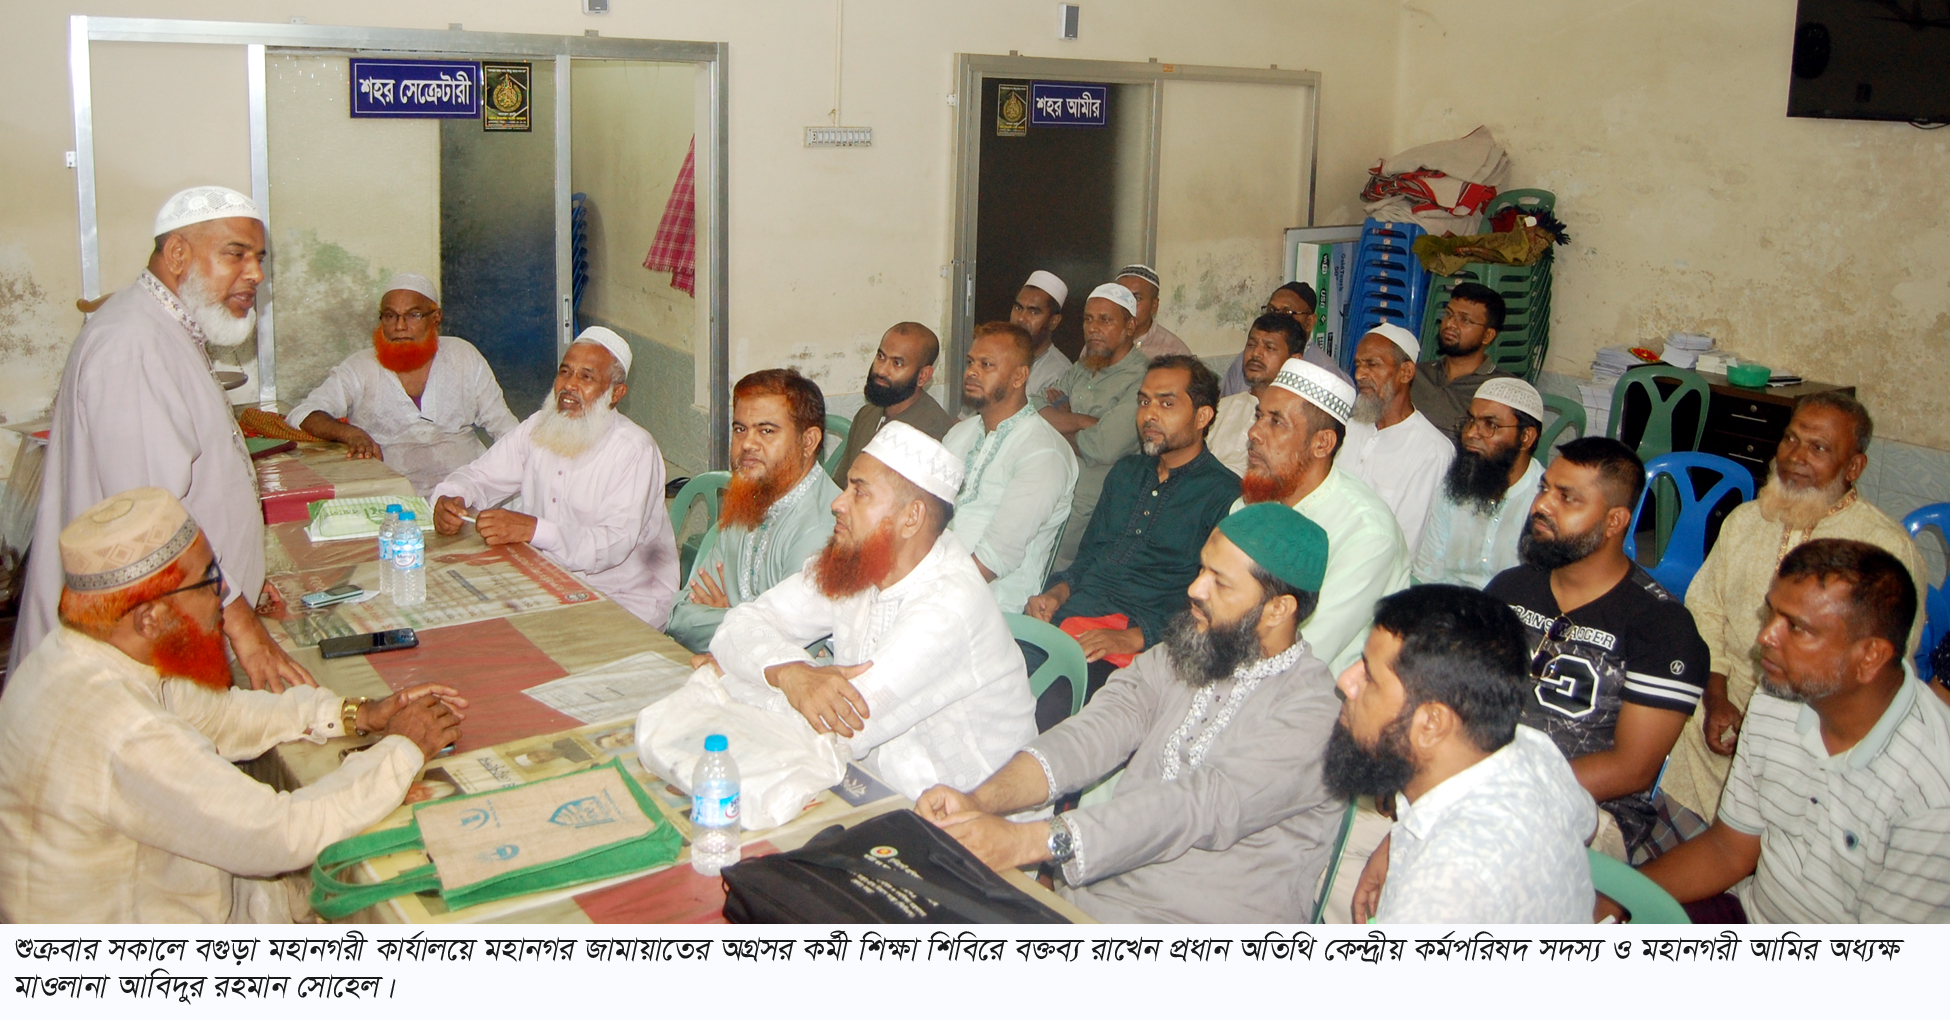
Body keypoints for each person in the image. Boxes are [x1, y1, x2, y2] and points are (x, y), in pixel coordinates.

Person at [0, 488, 464, 922]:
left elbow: (219, 715)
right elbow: (281, 833)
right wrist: (402, 749)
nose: (221, 600)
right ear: (149, 618)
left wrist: (356, 713)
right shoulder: (124, 730)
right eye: (209, 582)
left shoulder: (72, 654)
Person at [918, 503, 1342, 922]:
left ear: (1278, 609)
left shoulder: (1315, 714)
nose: (1196, 589)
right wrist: (979, 801)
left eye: (1220, 582)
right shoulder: (1187, 652)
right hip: (1094, 900)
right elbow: (1094, 733)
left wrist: (1027, 842)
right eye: (1201, 570)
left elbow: (1199, 805)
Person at [12, 186, 310, 692]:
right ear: (177, 254)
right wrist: (241, 622)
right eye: (236, 254)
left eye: (258, 258)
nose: (256, 275)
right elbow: (151, 527)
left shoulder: (164, 327)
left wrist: (242, 584)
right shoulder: (132, 344)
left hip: (183, 617)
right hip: (128, 647)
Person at [709, 422, 1036, 799]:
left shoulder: (948, 609)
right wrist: (791, 674)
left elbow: (836, 731)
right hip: (870, 787)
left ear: (911, 518)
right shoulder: (861, 562)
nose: (838, 503)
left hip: (962, 820)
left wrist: (730, 679)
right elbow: (741, 623)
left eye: (859, 492)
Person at [1628, 540, 1950, 923]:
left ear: (1870, 656)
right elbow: (1729, 850)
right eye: (1771, 613)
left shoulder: (1932, 793)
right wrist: (1620, 897)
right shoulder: (1779, 694)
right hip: (1752, 913)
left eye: (1796, 627)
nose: (1765, 636)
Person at [1660, 392, 1927, 830]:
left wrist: (1783, 728)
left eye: (1818, 447)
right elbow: (1704, 611)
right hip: (1716, 723)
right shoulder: (1746, 520)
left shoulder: (1884, 550)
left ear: (1854, 466)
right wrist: (1716, 695)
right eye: (1790, 439)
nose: (1795, 457)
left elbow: (1882, 671)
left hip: (1815, 745)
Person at [1483, 436, 1709, 861]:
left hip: (1590, 812)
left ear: (1614, 521)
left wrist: (1505, 788)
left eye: (1567, 498)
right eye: (1545, 489)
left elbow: (1633, 768)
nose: (1542, 506)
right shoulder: (1510, 588)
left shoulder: (1661, 625)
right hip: (1483, 788)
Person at [1326, 585, 1598, 923]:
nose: (1345, 682)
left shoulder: (1447, 887)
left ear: (1431, 724)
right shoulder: (1530, 748)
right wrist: (1399, 842)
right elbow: (1587, 823)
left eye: (1369, 676)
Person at [1027, 357, 1239, 720]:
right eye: (1143, 401)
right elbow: (1089, 557)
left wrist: (1137, 637)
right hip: (1074, 617)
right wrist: (1056, 594)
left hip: (1143, 647)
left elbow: (1216, 603)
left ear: (1202, 417)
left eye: (1166, 403)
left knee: (1047, 710)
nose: (1149, 415)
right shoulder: (1126, 473)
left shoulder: (1225, 495)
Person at [432, 327, 679, 627]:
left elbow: (612, 545)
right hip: (544, 579)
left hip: (622, 599)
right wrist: (453, 497)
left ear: (616, 393)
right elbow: (480, 475)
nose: (569, 385)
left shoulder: (634, 449)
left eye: (586, 377)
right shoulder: (539, 427)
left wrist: (533, 530)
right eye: (565, 372)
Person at [1238, 357, 1410, 674]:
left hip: (1317, 691)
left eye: (1276, 422)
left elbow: (1303, 652)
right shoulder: (1251, 503)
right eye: (1259, 416)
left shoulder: (1366, 534)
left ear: (1322, 443)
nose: (1253, 432)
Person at [285, 273, 519, 496]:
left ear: (436, 318)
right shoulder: (361, 367)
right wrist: (350, 434)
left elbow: (505, 428)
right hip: (392, 498)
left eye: (413, 315)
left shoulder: (463, 355)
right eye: (390, 316)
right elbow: (303, 414)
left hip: (471, 491)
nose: (399, 326)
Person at [665, 368, 838, 652]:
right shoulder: (748, 497)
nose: (747, 444)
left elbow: (791, 647)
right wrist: (744, 623)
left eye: (766, 431)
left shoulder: (827, 526)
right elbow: (680, 616)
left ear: (808, 441)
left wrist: (730, 617)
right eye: (740, 429)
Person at [941, 322, 1078, 613]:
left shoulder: (1044, 452)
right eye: (970, 362)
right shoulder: (959, 434)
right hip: (936, 583)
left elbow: (996, 556)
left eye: (986, 364)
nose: (972, 372)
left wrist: (930, 594)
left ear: (1019, 377)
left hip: (993, 604)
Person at [1039, 283, 1152, 565]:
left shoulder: (1143, 379)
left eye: (1105, 320)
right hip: (1051, 486)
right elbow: (1031, 408)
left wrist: (1059, 421)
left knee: (1057, 575)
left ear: (1129, 326)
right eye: (1088, 319)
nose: (1093, 328)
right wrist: (1081, 420)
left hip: (1092, 505)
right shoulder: (1085, 366)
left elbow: (1103, 447)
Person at [1412, 378, 1546, 588]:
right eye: (1471, 421)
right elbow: (1427, 573)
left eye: (1491, 425)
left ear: (1526, 437)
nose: (1471, 433)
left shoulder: (1547, 504)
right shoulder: (1453, 488)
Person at [1340, 323, 1455, 557]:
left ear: (1406, 372)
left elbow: (1405, 544)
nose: (1360, 375)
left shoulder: (1432, 451)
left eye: (1372, 364)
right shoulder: (1349, 427)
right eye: (1358, 365)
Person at [830, 322, 955, 482]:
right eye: (881, 357)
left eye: (897, 363)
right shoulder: (866, 414)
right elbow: (842, 484)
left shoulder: (934, 435)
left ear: (923, 376)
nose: (882, 370)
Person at [1410, 282, 1517, 442]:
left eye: (1465, 320)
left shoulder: (1501, 391)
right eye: (1448, 314)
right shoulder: (1415, 374)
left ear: (1487, 335)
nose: (1450, 324)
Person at [1207, 312, 1310, 476]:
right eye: (1251, 344)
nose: (1256, 353)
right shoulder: (1218, 409)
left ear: (1294, 361)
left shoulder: (1303, 419)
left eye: (1269, 348)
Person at [1221, 282, 1319, 397]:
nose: (1256, 353)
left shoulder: (1321, 374)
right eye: (1271, 309)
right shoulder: (1244, 362)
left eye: (1287, 312)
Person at [1012, 270, 1073, 401]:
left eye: (1034, 312)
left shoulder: (1058, 373)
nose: (1021, 318)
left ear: (1053, 321)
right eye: (1018, 308)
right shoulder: (997, 356)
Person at [1114, 264, 1192, 359]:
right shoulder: (1102, 340)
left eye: (1137, 298)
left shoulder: (1173, 352)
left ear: (1154, 305)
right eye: (1121, 298)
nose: (1127, 305)